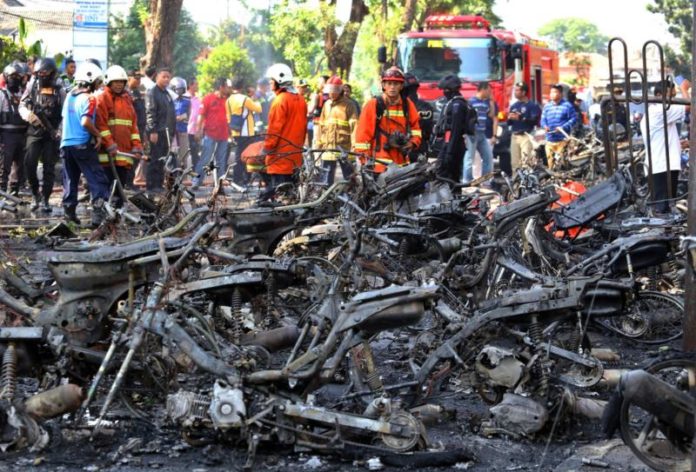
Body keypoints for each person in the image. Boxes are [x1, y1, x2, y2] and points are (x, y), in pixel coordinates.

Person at [60, 62, 111, 226]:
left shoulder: (69, 96)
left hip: (66, 145)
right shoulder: (89, 98)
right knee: (98, 179)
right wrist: (98, 135)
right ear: (91, 81)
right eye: (98, 81)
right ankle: (98, 217)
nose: (99, 85)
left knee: (70, 179)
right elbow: (85, 122)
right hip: (82, 144)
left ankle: (69, 215)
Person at [353, 67, 421, 173]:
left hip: (401, 164)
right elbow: (363, 135)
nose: (392, 87)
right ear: (383, 85)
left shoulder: (407, 104)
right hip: (378, 164)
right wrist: (364, 160)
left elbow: (416, 129)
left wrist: (412, 143)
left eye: (396, 84)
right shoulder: (373, 104)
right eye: (389, 83)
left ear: (402, 86)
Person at [19, 57, 65, 212]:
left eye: (44, 73)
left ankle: (45, 199)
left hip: (52, 134)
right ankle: (35, 195)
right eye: (38, 73)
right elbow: (22, 104)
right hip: (35, 131)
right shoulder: (32, 86)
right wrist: (28, 115)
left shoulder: (60, 90)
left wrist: (59, 131)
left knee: (49, 168)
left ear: (52, 73)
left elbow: (65, 113)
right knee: (29, 163)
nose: (41, 76)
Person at [96, 65, 143, 203]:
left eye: (121, 82)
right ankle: (106, 214)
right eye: (116, 82)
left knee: (120, 187)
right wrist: (110, 144)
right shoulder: (103, 98)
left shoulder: (127, 100)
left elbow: (133, 126)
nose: (118, 85)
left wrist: (137, 146)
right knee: (107, 188)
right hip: (107, 155)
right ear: (109, 82)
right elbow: (101, 124)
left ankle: (118, 216)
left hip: (124, 154)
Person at [261, 63, 307, 200]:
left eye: (272, 80)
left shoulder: (280, 100)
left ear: (279, 80)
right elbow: (303, 129)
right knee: (291, 194)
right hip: (295, 157)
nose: (270, 82)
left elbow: (274, 129)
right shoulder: (301, 100)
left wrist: (266, 149)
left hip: (280, 157)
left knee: (277, 192)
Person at [640, 80, 685, 214]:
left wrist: (679, 143)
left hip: (664, 166)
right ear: (659, 95)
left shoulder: (655, 112)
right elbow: (690, 106)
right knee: (662, 210)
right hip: (662, 167)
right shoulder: (659, 110)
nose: (675, 100)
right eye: (671, 96)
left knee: (667, 208)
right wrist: (684, 88)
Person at [315, 76, 358, 185]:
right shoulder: (327, 104)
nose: (331, 94)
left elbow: (354, 126)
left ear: (340, 91)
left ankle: (352, 197)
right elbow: (321, 125)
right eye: (329, 92)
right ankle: (326, 199)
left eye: (333, 92)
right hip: (328, 147)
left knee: (350, 178)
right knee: (325, 180)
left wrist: (354, 146)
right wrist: (319, 143)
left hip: (344, 147)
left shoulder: (349, 105)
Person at [192, 77, 230, 189]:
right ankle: (196, 182)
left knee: (221, 161)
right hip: (210, 134)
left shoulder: (227, 100)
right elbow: (201, 115)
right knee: (205, 159)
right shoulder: (208, 99)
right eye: (226, 87)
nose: (228, 89)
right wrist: (198, 130)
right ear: (221, 87)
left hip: (223, 135)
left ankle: (219, 184)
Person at [431, 75, 470, 182]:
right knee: (448, 175)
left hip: (453, 146)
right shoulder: (452, 103)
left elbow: (455, 131)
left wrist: (449, 152)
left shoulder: (457, 105)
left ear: (452, 89)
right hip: (450, 144)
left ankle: (453, 197)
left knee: (447, 176)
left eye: (446, 90)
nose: (444, 92)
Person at [227, 77, 262, 186]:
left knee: (238, 156)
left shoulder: (229, 100)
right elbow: (258, 109)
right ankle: (244, 180)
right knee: (248, 156)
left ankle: (238, 179)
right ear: (242, 87)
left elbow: (228, 117)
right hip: (247, 132)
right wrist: (254, 97)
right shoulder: (245, 99)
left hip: (236, 131)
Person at [144, 67, 175, 191]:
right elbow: (150, 112)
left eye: (168, 77)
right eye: (164, 76)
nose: (166, 79)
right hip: (157, 131)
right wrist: (153, 131)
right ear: (157, 77)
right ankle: (151, 186)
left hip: (166, 132)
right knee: (155, 159)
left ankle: (158, 184)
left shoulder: (166, 93)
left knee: (163, 160)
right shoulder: (152, 92)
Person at [0, 63, 28, 195]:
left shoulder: (24, 94)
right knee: (4, 165)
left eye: (18, 76)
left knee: (20, 166)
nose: (15, 78)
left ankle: (14, 192)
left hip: (23, 134)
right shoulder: (2, 95)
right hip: (7, 134)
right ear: (6, 77)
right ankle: (2, 191)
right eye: (12, 76)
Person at [462, 82, 497, 184]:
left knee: (488, 156)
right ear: (483, 89)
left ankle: (486, 181)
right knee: (469, 157)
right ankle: (467, 180)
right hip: (472, 133)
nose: (490, 93)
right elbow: (465, 118)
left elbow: (491, 114)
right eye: (489, 91)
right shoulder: (471, 102)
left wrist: (491, 102)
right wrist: (465, 134)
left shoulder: (485, 102)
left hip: (482, 133)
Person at [540, 83, 577, 169]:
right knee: (551, 166)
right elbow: (542, 120)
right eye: (551, 92)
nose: (552, 94)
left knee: (562, 164)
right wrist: (544, 126)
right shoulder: (547, 106)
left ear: (560, 94)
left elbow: (574, 119)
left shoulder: (567, 106)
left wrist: (563, 127)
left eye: (555, 92)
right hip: (549, 140)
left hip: (562, 141)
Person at [508, 81, 541, 172]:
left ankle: (527, 184)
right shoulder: (514, 106)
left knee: (526, 162)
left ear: (524, 92)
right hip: (514, 136)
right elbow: (509, 123)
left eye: (518, 90)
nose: (515, 92)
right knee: (515, 163)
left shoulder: (532, 105)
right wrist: (510, 118)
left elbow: (534, 121)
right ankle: (516, 184)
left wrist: (521, 117)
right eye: (515, 90)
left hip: (526, 135)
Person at [402, 73, 434, 159]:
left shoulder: (398, 106)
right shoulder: (426, 106)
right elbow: (428, 131)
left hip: (409, 148)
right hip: (419, 147)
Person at [170, 77, 190, 167]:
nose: (180, 91)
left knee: (184, 154)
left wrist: (183, 117)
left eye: (181, 89)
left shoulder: (187, 101)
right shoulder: (169, 101)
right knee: (172, 154)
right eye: (178, 89)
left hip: (183, 130)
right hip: (172, 131)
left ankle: (183, 176)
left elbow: (189, 115)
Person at [186, 78, 200, 170]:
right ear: (190, 85)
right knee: (184, 153)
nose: (197, 86)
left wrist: (199, 130)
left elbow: (199, 115)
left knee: (195, 153)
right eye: (196, 84)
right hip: (185, 130)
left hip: (195, 131)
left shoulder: (198, 99)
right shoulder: (184, 97)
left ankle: (196, 174)